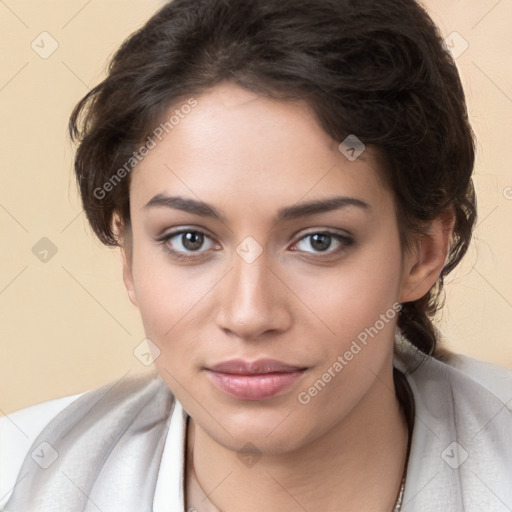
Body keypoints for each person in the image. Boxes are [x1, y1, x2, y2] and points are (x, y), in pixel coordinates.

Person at [1, 0, 512, 510]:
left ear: (422, 254)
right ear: (130, 257)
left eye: (319, 240)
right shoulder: (19, 478)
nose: (248, 315)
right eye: (190, 239)